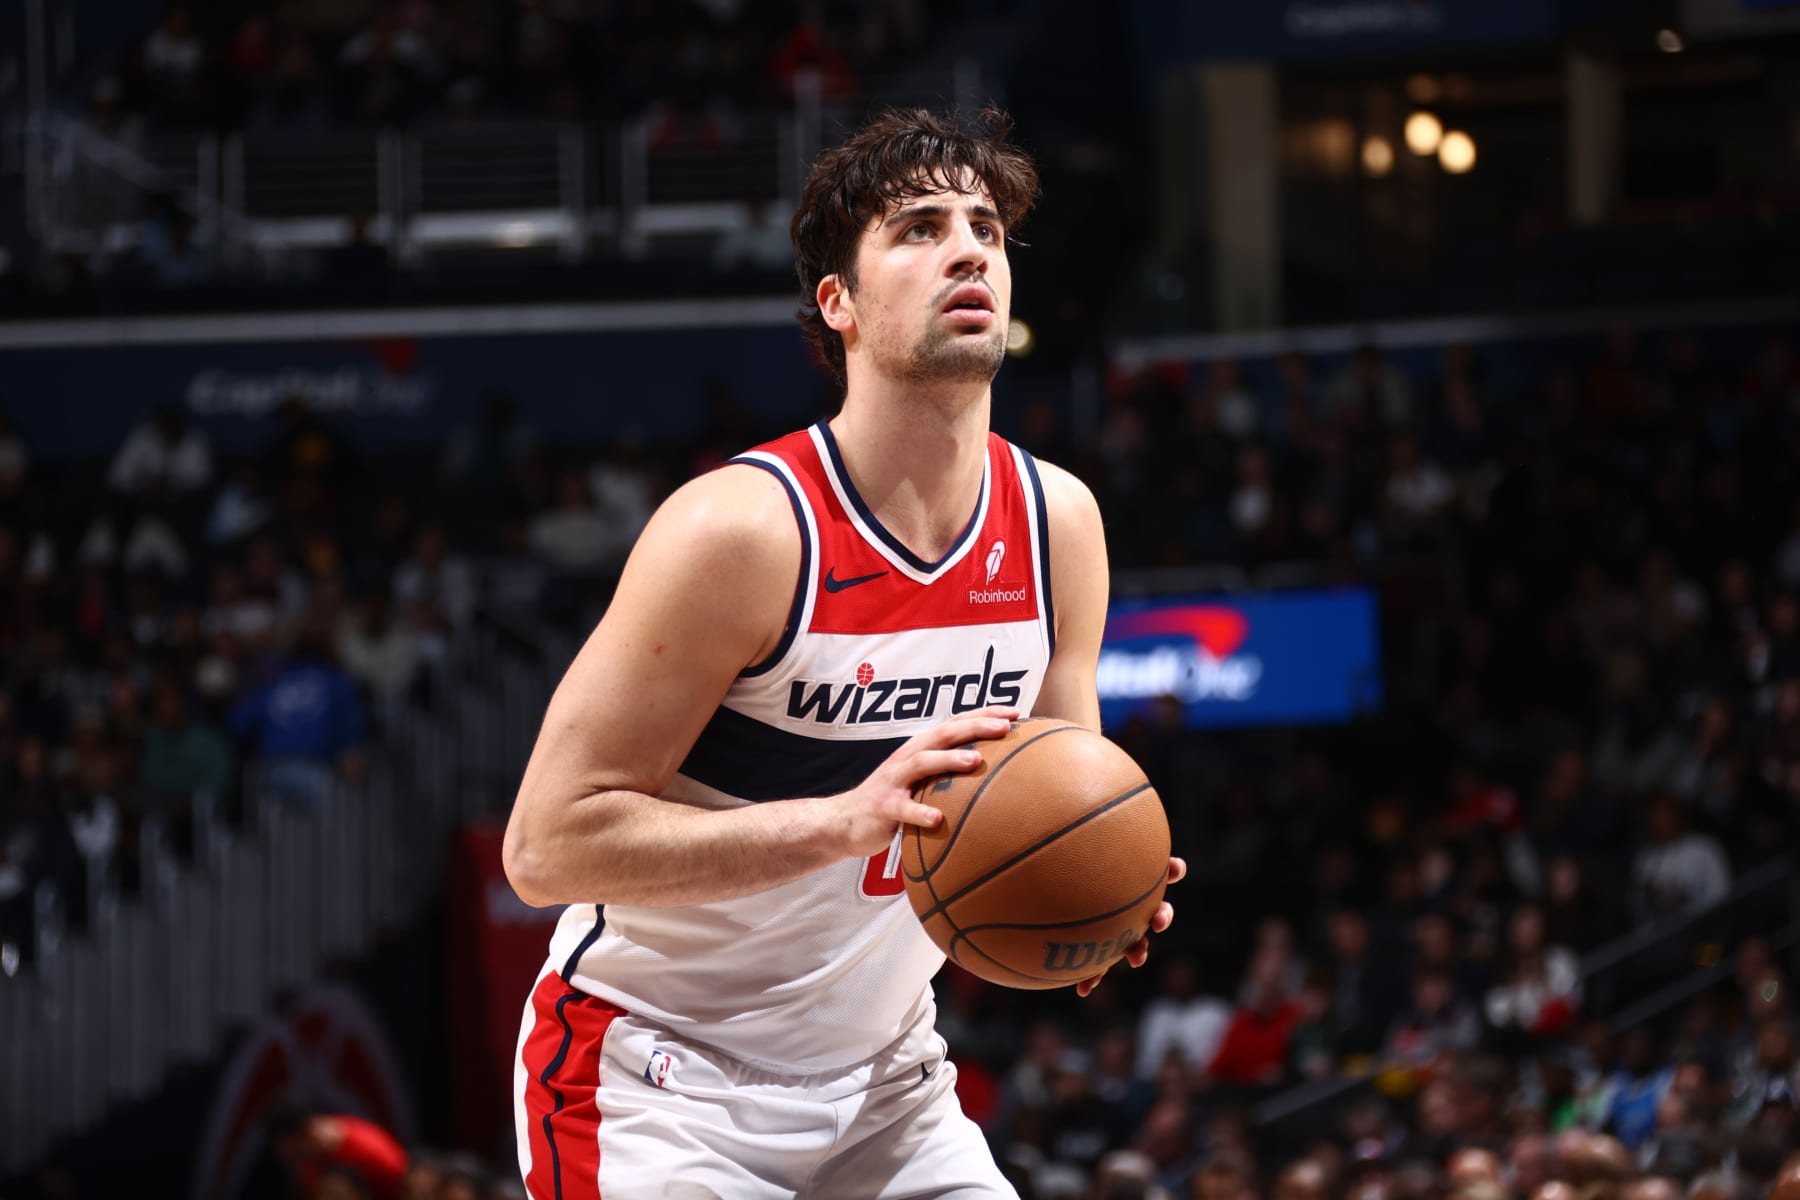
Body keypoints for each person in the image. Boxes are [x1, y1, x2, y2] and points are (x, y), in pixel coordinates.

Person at [503, 107, 1184, 1199]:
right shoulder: (743, 531)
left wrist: (1100, 896)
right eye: (919, 228)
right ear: (840, 304)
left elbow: (1050, 803)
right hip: (658, 1084)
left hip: (887, 1085)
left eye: (987, 227)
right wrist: (847, 822)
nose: (968, 247)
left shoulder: (1059, 525)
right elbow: (545, 848)